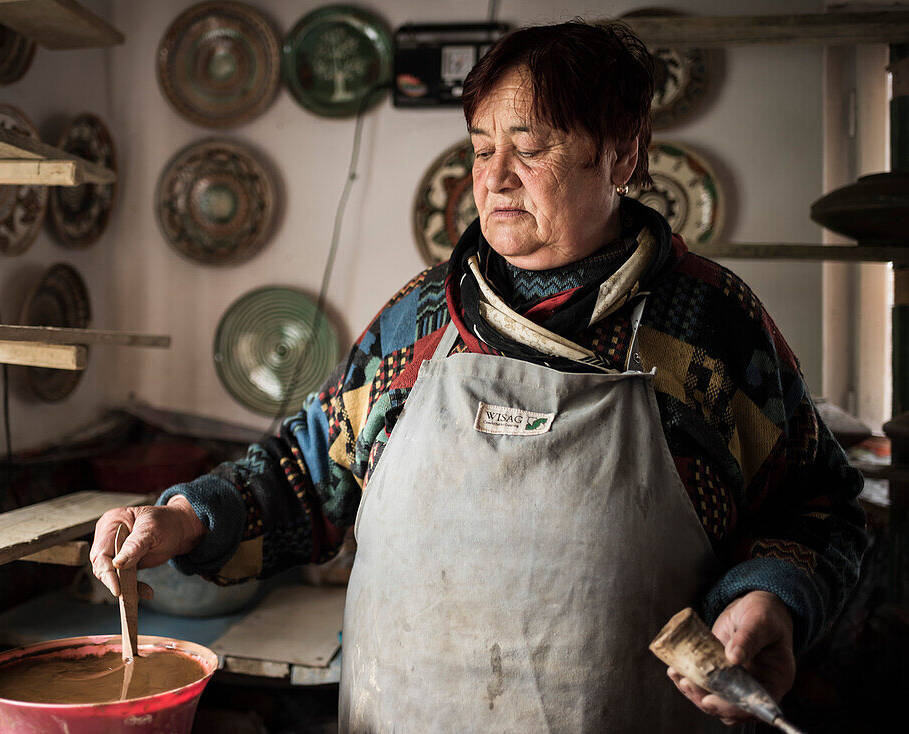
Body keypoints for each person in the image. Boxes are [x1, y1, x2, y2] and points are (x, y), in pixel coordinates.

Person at [92, 21, 866, 733]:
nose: (493, 178)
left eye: (529, 148)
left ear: (624, 154)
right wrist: (185, 519)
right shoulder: (423, 318)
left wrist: (769, 598)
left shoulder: (709, 325)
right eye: (480, 147)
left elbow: (818, 507)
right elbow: (303, 475)